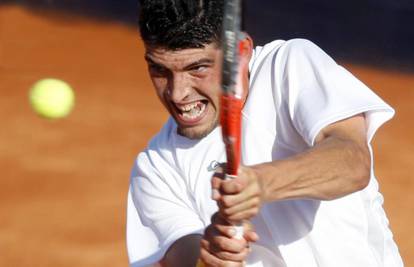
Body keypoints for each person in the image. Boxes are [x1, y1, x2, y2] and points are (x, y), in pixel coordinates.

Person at [126, 0, 404, 266]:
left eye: (198, 68)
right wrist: (212, 256)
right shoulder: (154, 169)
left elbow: (353, 162)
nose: (177, 93)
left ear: (241, 51)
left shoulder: (288, 66)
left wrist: (261, 182)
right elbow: (185, 257)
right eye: (159, 69)